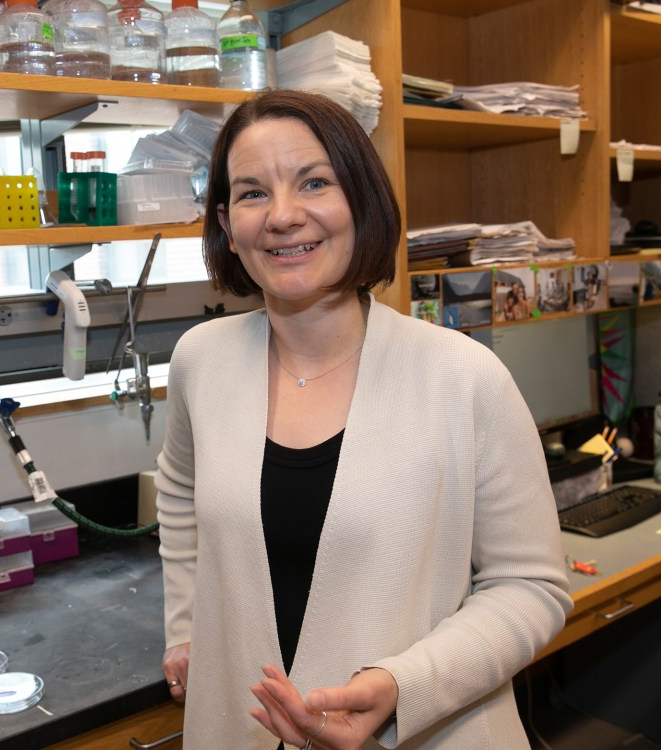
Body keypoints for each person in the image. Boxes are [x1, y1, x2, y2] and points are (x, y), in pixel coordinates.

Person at [155, 89, 573, 749]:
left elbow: (533, 587)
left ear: (362, 200)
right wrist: (185, 626)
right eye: (253, 193)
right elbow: (178, 493)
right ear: (226, 224)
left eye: (314, 182)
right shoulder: (199, 362)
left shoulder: (464, 378)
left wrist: (404, 685)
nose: (283, 217)